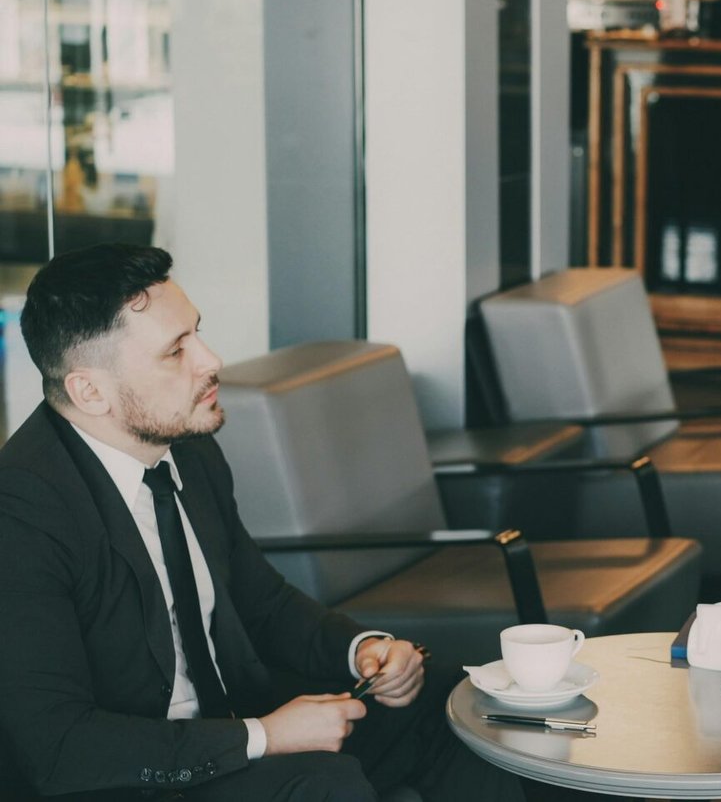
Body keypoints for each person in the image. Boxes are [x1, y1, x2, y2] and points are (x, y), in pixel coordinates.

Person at [0, 244, 525, 800]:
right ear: (89, 391)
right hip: (135, 776)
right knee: (324, 785)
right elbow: (57, 747)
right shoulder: (22, 513)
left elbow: (260, 602)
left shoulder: (187, 451)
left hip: (234, 725)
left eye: (196, 333)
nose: (211, 360)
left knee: (447, 699)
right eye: (176, 351)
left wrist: (362, 649)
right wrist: (263, 736)